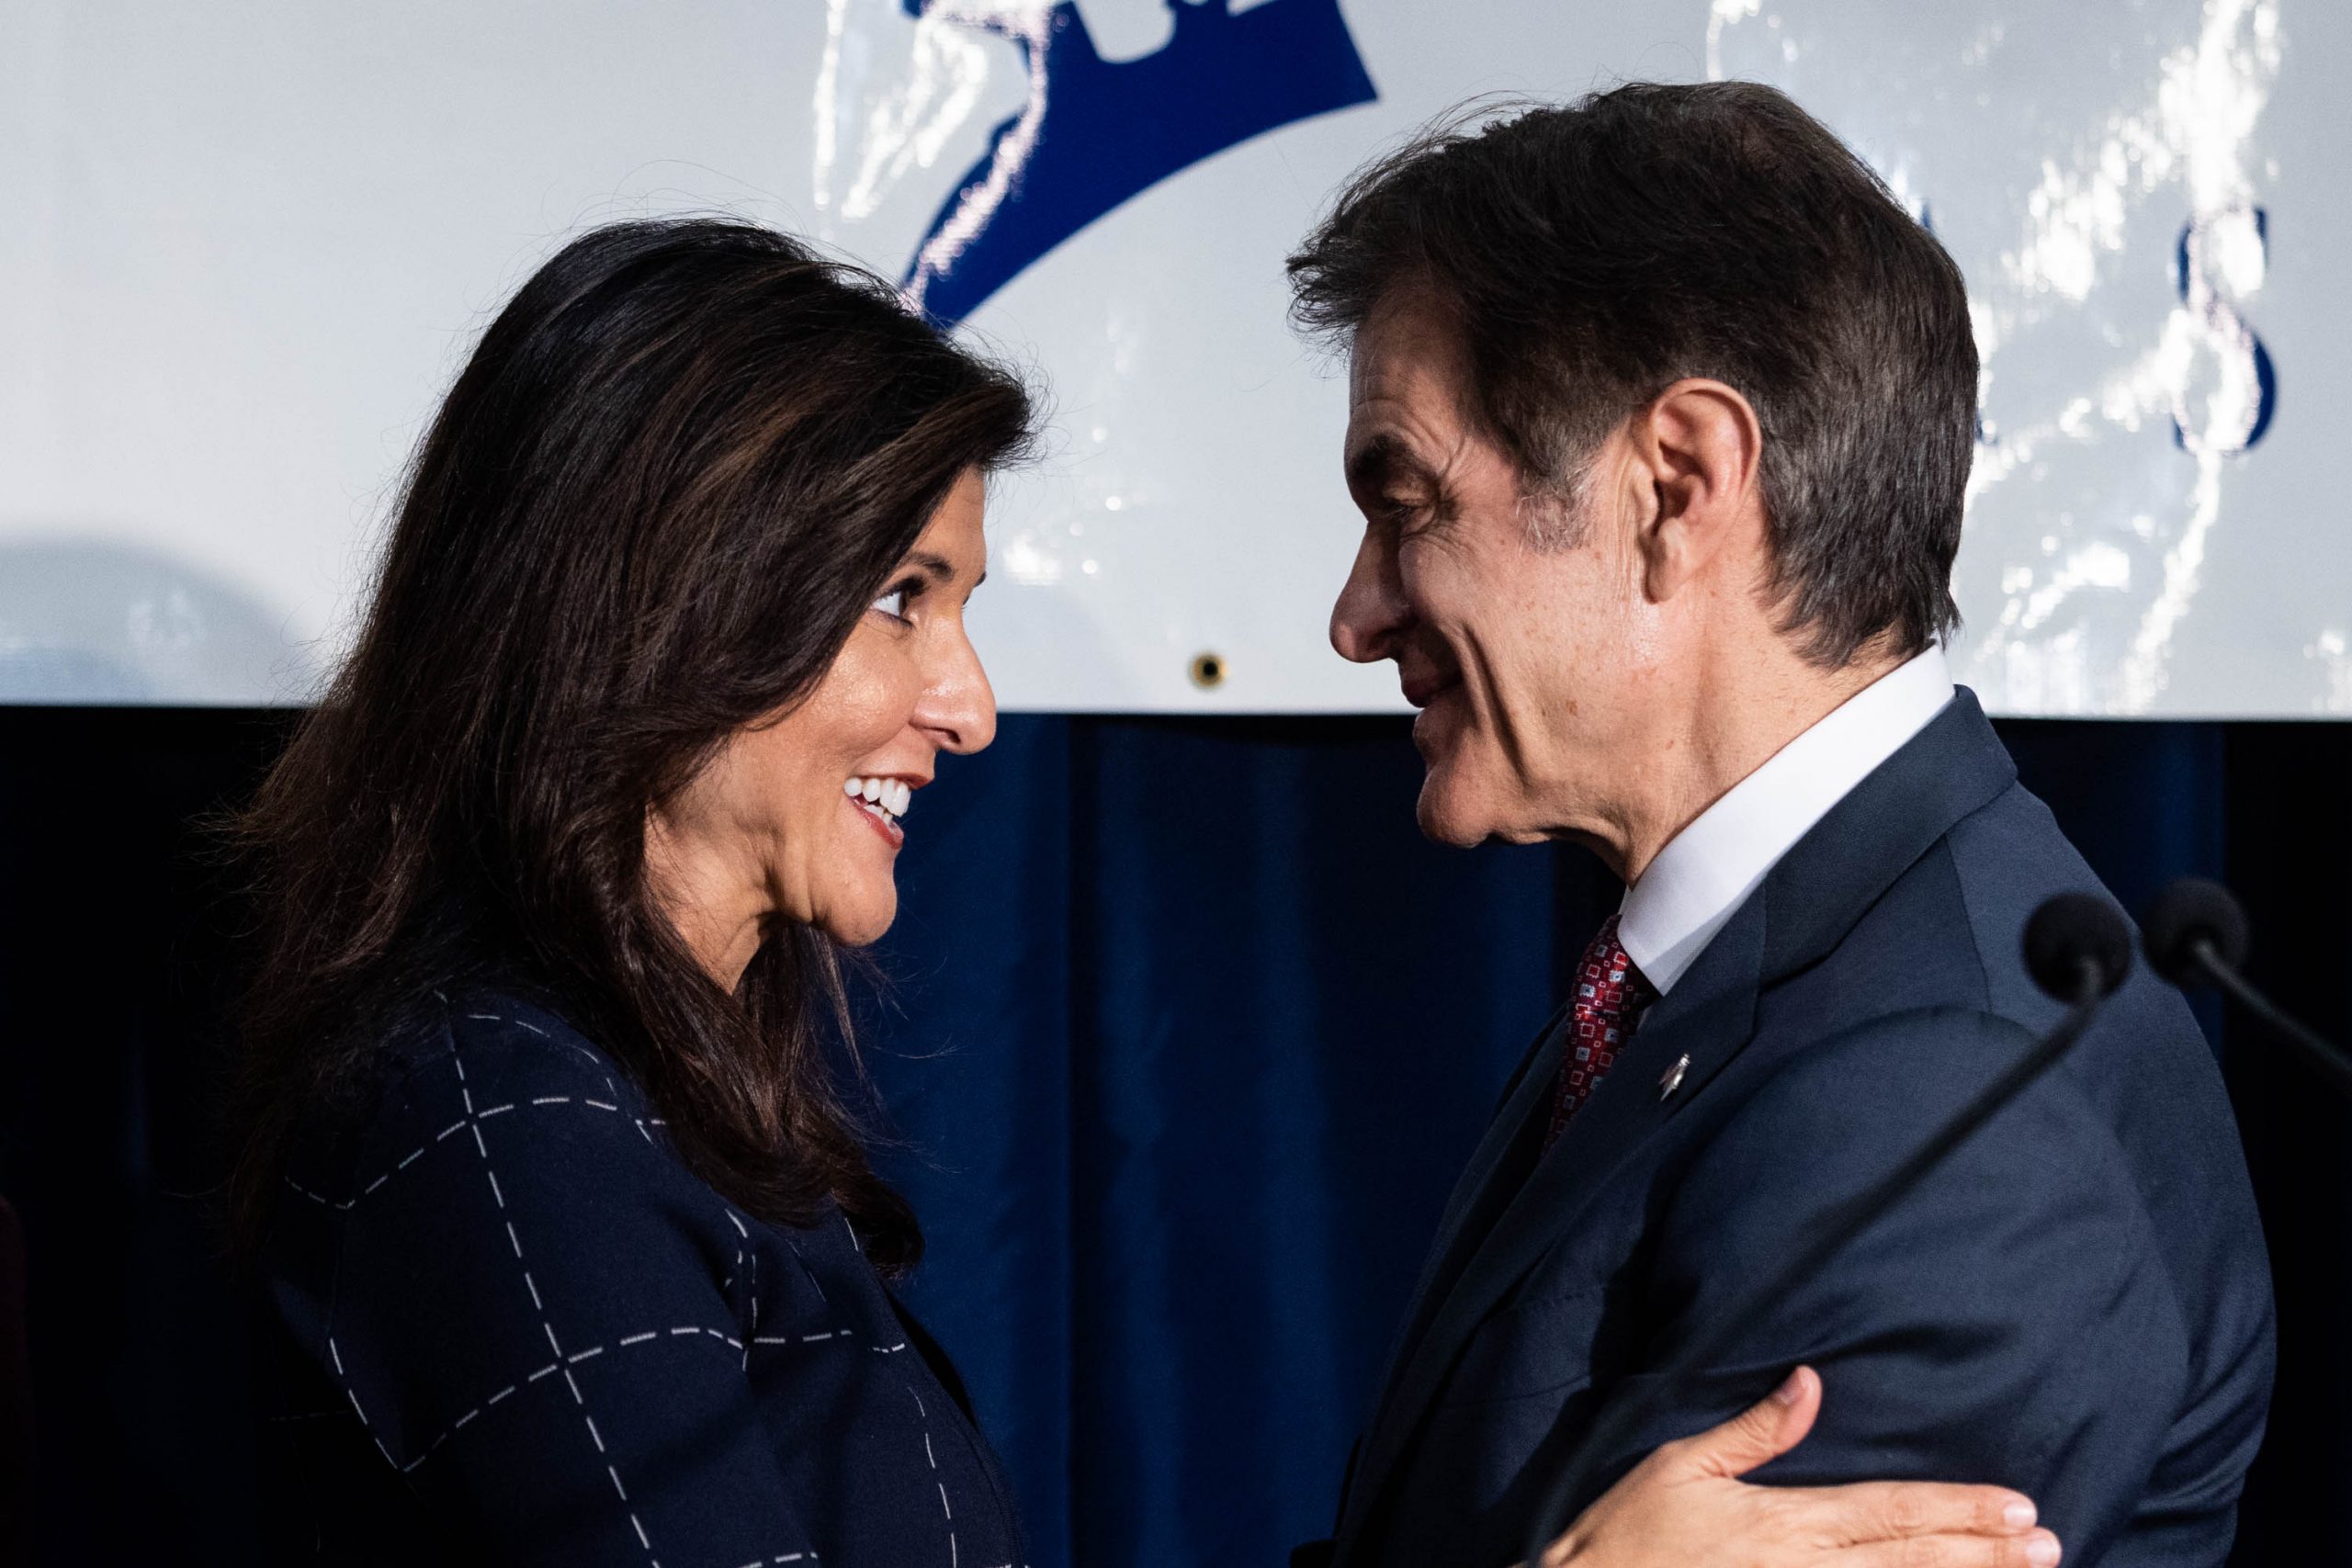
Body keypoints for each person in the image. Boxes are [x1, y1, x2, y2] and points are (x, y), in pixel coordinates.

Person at [227, 218, 2055, 1566]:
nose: (969, 700)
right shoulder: (497, 1113)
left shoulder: (632, 1109)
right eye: (901, 597)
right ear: (657, 596)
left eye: (962, 603)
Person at [1283, 82, 2276, 1568]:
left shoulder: (1949, 1099)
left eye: (1408, 500)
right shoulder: (1729, 974)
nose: (1356, 617)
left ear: (1678, 485)